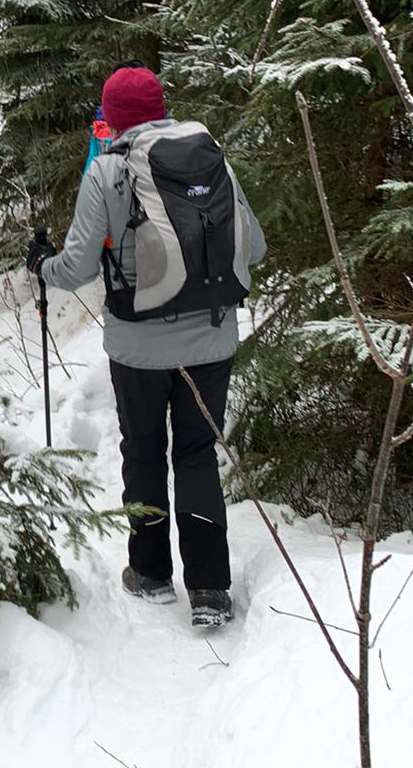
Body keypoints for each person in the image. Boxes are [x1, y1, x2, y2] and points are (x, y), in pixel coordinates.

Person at [26, 66, 266, 627]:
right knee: (197, 454)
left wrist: (40, 264)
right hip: (212, 339)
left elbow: (77, 269)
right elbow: (252, 246)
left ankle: (152, 573)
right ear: (161, 109)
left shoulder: (107, 170)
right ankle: (209, 590)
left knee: (144, 450)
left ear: (111, 119)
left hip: (137, 346)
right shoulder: (209, 156)